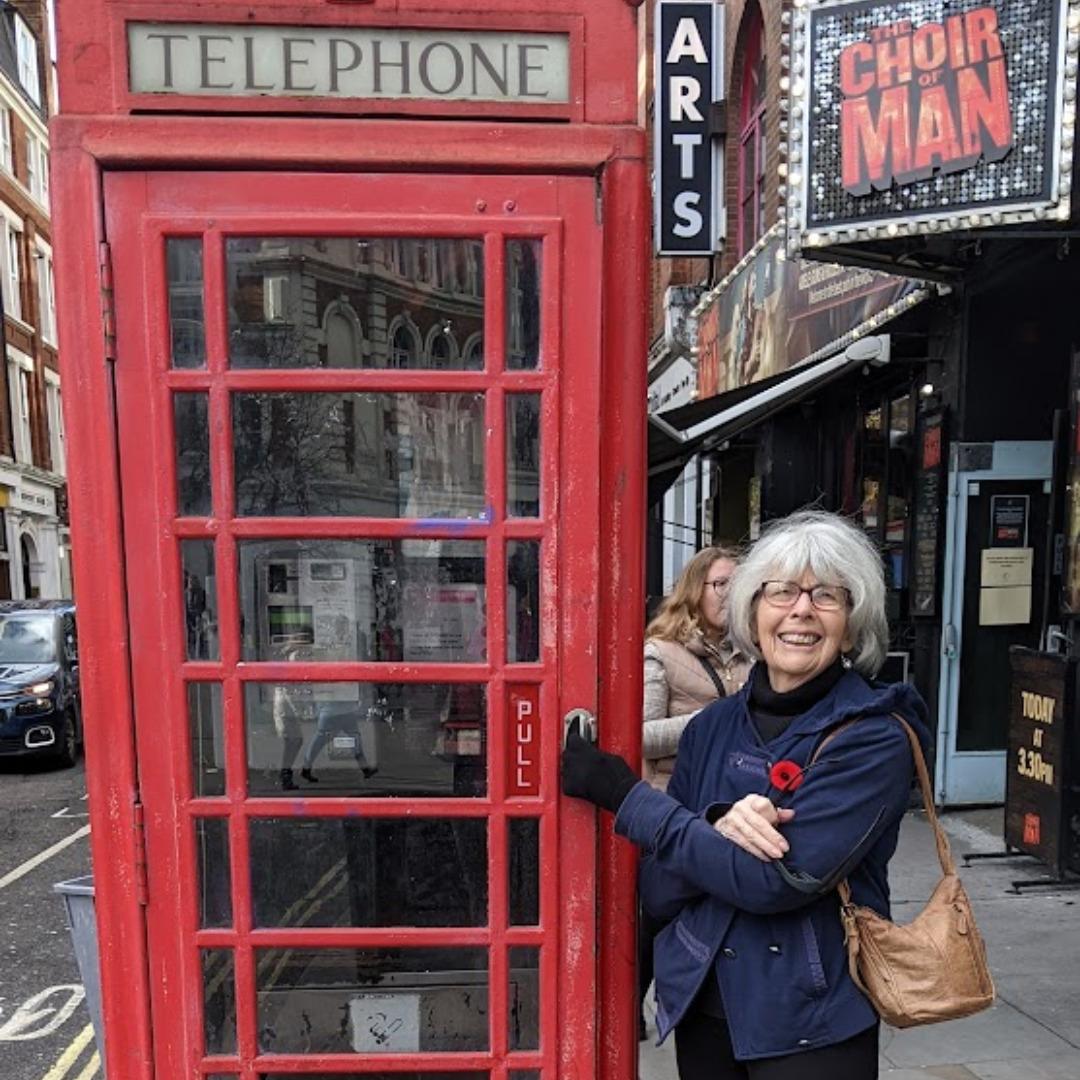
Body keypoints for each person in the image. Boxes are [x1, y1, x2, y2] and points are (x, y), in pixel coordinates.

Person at [563, 510, 929, 1080]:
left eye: (826, 596)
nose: (801, 609)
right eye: (781, 591)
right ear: (751, 611)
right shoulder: (710, 728)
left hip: (812, 1021)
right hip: (704, 1007)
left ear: (853, 627)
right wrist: (720, 827)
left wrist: (629, 797)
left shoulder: (874, 738)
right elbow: (658, 890)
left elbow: (775, 882)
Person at [640, 545, 749, 1038]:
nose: (730, 593)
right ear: (695, 589)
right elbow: (640, 735)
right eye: (720, 583)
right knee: (660, 917)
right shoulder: (660, 651)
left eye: (738, 583)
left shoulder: (754, 651)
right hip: (673, 807)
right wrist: (714, 721)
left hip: (733, 809)